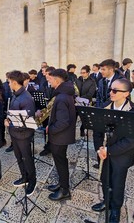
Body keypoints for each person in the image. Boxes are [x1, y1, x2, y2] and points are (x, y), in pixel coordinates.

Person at [91, 78, 134, 223]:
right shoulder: (105, 106)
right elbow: (97, 131)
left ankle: (116, 208)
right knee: (105, 179)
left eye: (115, 90)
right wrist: (100, 148)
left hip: (121, 156)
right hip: (104, 153)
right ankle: (107, 200)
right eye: (111, 89)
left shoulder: (133, 111)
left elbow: (131, 140)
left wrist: (109, 150)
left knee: (117, 183)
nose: (111, 92)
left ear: (126, 94)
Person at [5, 70, 36, 196]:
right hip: (14, 134)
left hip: (23, 135)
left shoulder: (26, 98)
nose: (8, 84)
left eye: (9, 82)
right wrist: (8, 118)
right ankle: (24, 177)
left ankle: (32, 181)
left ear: (14, 82)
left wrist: (10, 123)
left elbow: (26, 121)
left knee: (27, 158)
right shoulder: (15, 94)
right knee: (18, 157)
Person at [46, 69, 76, 201]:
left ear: (57, 81)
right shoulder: (64, 94)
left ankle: (65, 190)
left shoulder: (62, 97)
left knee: (61, 163)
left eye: (50, 79)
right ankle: (62, 183)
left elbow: (63, 122)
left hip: (60, 137)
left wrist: (51, 129)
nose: (48, 81)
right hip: (61, 136)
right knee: (61, 162)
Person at [93, 59, 124, 169]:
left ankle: (110, 162)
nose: (101, 71)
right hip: (101, 114)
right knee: (97, 137)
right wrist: (97, 110)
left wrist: (101, 109)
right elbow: (98, 97)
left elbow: (114, 99)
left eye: (103, 69)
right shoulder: (101, 81)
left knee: (111, 140)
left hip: (113, 116)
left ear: (111, 69)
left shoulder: (121, 81)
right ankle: (100, 160)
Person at [76, 65, 96, 136]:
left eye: (84, 73)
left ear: (88, 73)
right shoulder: (78, 80)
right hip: (76, 102)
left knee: (84, 119)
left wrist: (80, 98)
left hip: (85, 102)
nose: (82, 74)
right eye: (81, 72)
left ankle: (82, 129)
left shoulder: (92, 82)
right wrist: (76, 97)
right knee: (74, 117)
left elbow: (90, 93)